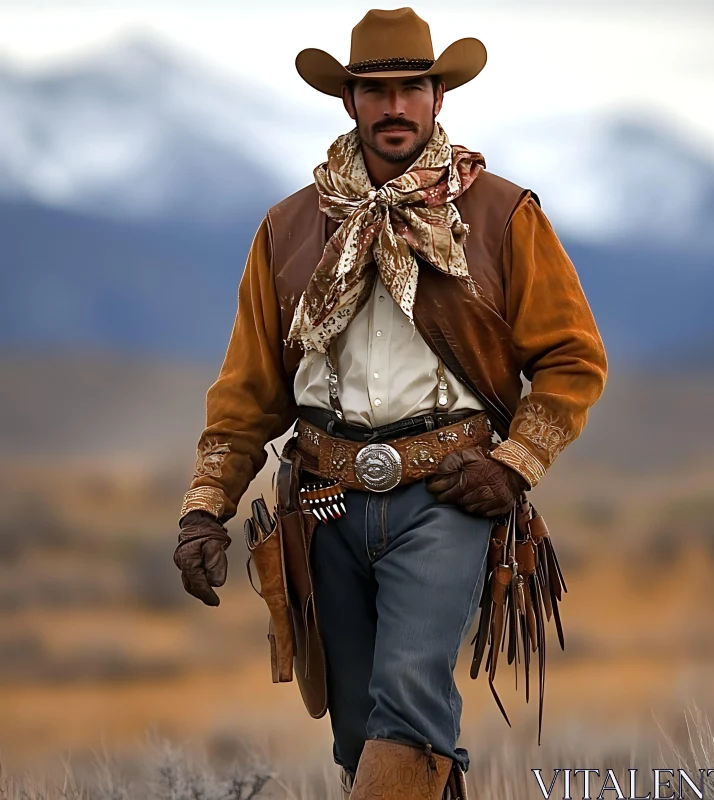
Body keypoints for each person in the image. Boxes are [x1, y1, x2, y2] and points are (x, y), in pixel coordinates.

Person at [173, 7, 608, 799]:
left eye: (413, 87)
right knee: (355, 735)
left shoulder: (502, 214)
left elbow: (573, 358)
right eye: (378, 91)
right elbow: (248, 391)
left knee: (406, 702)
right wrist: (206, 507)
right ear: (349, 103)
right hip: (322, 501)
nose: (397, 105)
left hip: (450, 494)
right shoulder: (287, 228)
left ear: (439, 96)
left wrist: (514, 465)